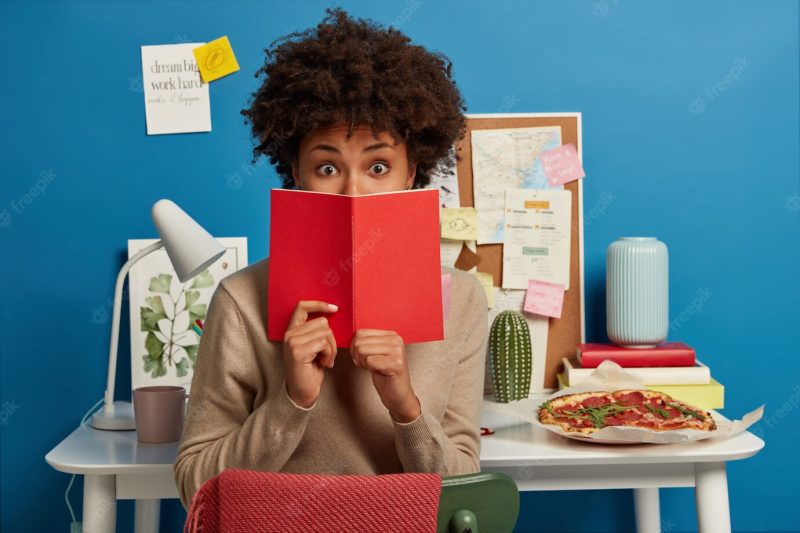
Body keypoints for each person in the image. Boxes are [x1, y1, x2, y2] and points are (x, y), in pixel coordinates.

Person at [174, 7, 488, 510]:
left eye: (379, 165)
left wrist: (405, 406)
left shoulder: (464, 299)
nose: (353, 192)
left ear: (412, 173)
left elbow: (461, 493)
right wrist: (290, 402)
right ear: (295, 172)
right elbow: (195, 488)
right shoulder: (240, 299)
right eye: (326, 166)